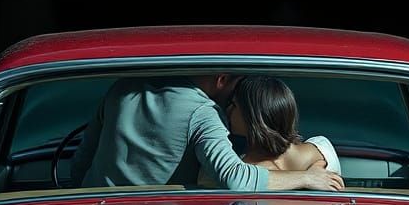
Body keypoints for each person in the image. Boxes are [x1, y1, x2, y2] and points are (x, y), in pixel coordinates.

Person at [69, 74, 345, 192]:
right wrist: (308, 177)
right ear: (222, 79)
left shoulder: (121, 88)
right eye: (234, 91)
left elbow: (82, 161)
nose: (229, 104)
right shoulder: (204, 112)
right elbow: (235, 179)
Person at [227, 74, 342, 175]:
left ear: (251, 117)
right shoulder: (322, 149)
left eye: (234, 105)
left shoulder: (242, 174)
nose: (228, 110)